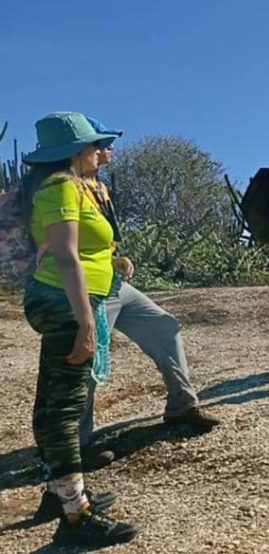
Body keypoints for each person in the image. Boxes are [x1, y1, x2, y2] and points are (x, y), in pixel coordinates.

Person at [72, 118, 218, 472]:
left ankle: (181, 405)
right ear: (81, 149)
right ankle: (76, 446)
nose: (109, 148)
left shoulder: (98, 186)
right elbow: (64, 245)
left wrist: (115, 257)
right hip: (90, 288)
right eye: (102, 142)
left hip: (113, 282)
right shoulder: (65, 188)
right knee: (87, 360)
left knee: (164, 326)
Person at [21, 112, 137, 546]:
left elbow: (82, 250)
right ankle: (75, 516)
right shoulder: (61, 188)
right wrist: (86, 322)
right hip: (65, 301)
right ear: (74, 152)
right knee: (66, 411)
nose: (98, 151)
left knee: (51, 399)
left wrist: (110, 262)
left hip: (64, 298)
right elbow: (68, 257)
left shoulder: (68, 189)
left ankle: (55, 495)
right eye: (92, 145)